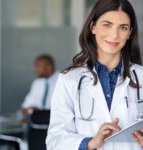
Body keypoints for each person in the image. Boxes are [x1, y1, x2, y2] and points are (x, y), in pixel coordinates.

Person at [46, 0, 143, 150]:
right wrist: (90, 143)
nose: (114, 34)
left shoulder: (141, 76)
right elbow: (55, 141)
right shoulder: (69, 80)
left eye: (123, 27)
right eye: (107, 25)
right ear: (93, 27)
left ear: (130, 33)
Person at [20, 54, 59, 119]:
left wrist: (42, 112)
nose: (35, 70)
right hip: (37, 123)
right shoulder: (37, 83)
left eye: (38, 67)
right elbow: (25, 105)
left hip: (55, 123)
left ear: (49, 67)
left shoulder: (63, 81)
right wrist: (29, 108)